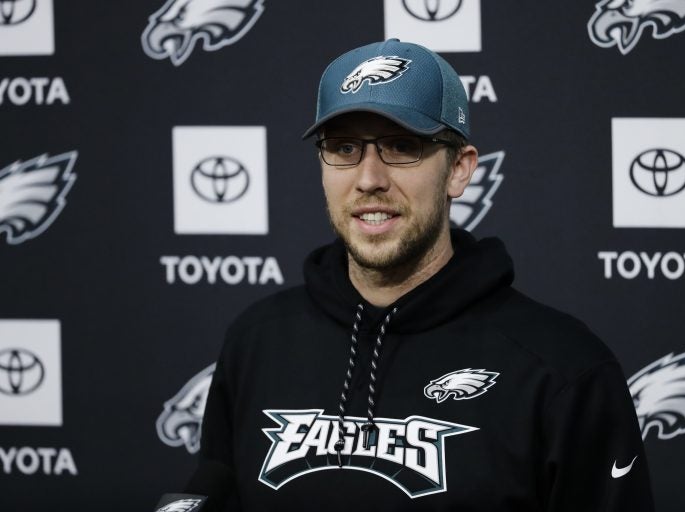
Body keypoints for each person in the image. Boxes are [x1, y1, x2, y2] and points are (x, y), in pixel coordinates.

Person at [193, 39, 654, 511]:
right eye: (345, 147)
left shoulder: (563, 368)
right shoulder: (257, 341)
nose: (369, 178)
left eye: (401, 146)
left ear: (459, 170)